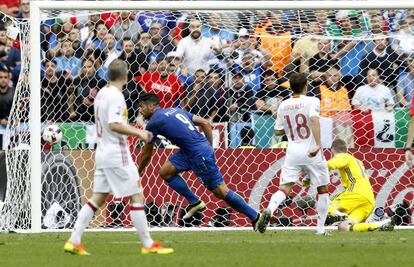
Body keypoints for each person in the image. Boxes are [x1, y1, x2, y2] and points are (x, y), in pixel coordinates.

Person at [64, 60, 173, 255]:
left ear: (108, 75)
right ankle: (148, 244)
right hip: (117, 152)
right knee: (136, 195)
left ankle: (74, 240)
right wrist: (139, 133)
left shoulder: (101, 94)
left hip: (103, 151)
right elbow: (114, 124)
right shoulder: (115, 96)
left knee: (98, 198)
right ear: (126, 75)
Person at [138, 93, 263, 230]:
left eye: (142, 106)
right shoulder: (176, 110)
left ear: (151, 106)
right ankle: (194, 202)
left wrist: (139, 171)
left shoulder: (154, 122)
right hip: (191, 150)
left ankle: (255, 216)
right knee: (166, 172)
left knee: (220, 191)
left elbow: (147, 153)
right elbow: (205, 123)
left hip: (197, 153)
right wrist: (209, 147)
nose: (140, 110)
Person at [257, 73, 330, 235]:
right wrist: (318, 144)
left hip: (293, 152)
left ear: (290, 87)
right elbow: (314, 120)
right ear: (306, 86)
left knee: (285, 187)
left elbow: (277, 132)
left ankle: (269, 209)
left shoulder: (283, 105)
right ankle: (320, 230)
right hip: (312, 152)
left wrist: (291, 129)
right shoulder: (313, 101)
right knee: (322, 189)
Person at [323, 138, 394, 232]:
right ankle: (377, 225)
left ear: (332, 150)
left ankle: (336, 214)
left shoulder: (343, 156)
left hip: (356, 193)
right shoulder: (357, 161)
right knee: (343, 227)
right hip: (368, 200)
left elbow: (331, 164)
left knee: (324, 203)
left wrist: (314, 170)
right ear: (346, 149)